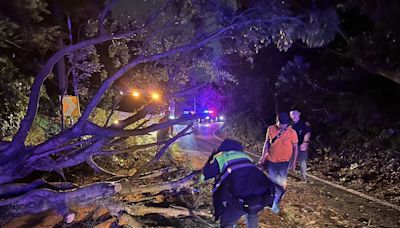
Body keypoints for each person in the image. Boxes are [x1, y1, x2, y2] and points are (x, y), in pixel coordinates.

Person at [200, 139, 275, 228]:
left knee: (227, 221)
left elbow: (205, 175)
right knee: (251, 210)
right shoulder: (245, 156)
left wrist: (200, 176)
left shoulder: (220, 156)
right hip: (262, 193)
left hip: (240, 196)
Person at [258, 112, 298, 214]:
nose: (282, 126)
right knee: (272, 182)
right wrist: (263, 157)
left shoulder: (292, 132)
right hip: (271, 160)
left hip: (284, 162)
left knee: (282, 184)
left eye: (284, 124)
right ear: (277, 121)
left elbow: (295, 147)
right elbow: (267, 143)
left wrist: (294, 162)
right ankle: (271, 202)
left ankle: (276, 202)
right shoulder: (271, 129)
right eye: (280, 123)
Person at [289, 110, 311, 182]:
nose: (293, 116)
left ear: (299, 113)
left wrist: (305, 143)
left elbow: (307, 133)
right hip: (291, 146)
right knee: (288, 160)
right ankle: (287, 174)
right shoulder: (290, 124)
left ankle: (304, 176)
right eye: (291, 114)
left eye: (295, 114)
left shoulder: (303, 124)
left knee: (302, 161)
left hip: (300, 145)